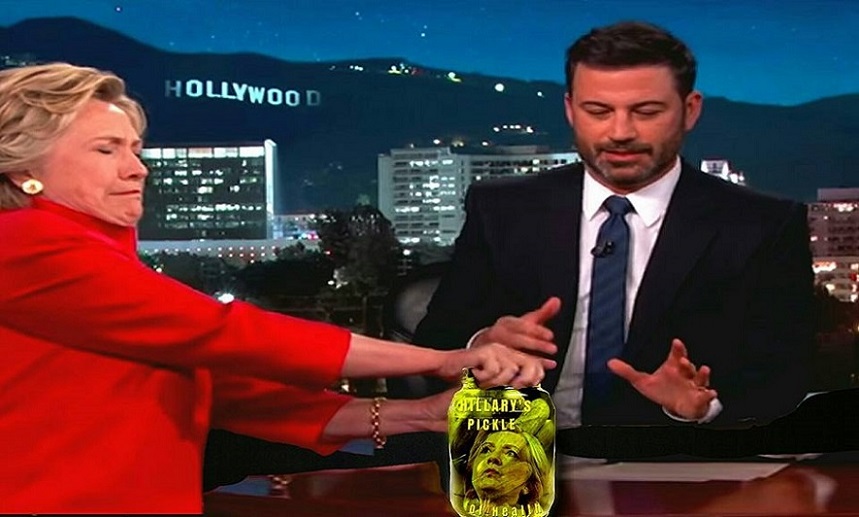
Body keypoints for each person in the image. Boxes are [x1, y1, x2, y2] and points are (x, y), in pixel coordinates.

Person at [0, 62, 554, 514]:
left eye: (135, 149)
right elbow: (226, 332)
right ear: (26, 167)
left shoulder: (94, 259)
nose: (137, 168)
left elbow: (236, 396)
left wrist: (425, 413)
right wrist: (444, 358)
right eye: (107, 150)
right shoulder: (24, 242)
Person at [414, 21, 814, 429]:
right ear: (570, 109)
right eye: (598, 111)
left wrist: (701, 407)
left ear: (690, 110)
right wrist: (482, 343)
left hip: (674, 452)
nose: (620, 133)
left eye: (647, 112)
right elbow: (435, 341)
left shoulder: (762, 226)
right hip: (518, 449)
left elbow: (784, 379)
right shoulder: (502, 210)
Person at [454, 429, 552, 516]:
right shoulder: (457, 508)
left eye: (511, 453)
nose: (493, 457)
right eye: (486, 450)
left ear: (529, 485)